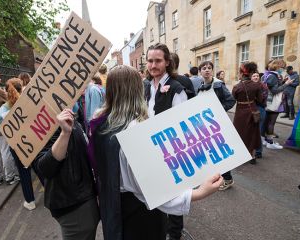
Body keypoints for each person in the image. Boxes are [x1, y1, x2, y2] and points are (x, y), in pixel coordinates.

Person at [89, 65, 223, 240]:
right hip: (138, 214)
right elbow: (150, 189)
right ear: (137, 90)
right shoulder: (134, 130)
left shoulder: (99, 122)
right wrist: (198, 193)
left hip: (113, 203)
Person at [144, 43, 188, 240]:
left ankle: (175, 234)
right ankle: (160, 229)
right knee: (157, 193)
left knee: (175, 194)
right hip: (151, 149)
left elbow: (183, 125)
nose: (153, 65)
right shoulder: (146, 86)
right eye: (150, 60)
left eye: (158, 61)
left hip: (171, 150)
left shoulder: (177, 89)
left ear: (167, 62)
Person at [36, 109, 99, 240]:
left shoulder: (66, 116)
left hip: (80, 204)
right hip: (75, 205)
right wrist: (65, 133)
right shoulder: (49, 122)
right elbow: (45, 167)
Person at [0, 78, 44, 210]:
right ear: (22, 87)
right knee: (39, 167)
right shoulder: (29, 102)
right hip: (32, 140)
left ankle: (30, 201)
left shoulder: (2, 110)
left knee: (24, 173)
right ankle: (53, 194)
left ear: (6, 92)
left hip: (16, 145)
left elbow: (1, 131)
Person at [197, 61, 236, 190]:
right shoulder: (201, 85)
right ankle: (216, 177)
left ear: (212, 71)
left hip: (218, 123)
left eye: (209, 68)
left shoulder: (218, 85)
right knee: (211, 150)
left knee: (219, 150)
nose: (207, 70)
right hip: (206, 123)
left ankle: (228, 179)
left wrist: (217, 110)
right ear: (200, 71)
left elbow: (231, 100)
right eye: (204, 68)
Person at [232, 62, 262, 164]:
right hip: (253, 111)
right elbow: (261, 100)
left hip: (240, 112)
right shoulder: (257, 86)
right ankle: (252, 156)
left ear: (241, 73)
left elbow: (233, 99)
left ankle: (240, 155)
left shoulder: (237, 87)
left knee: (240, 133)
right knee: (252, 134)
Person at [263, 59, 293, 149]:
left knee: (267, 122)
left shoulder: (268, 74)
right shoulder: (273, 76)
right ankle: (270, 142)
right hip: (273, 103)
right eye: (282, 67)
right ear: (278, 67)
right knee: (271, 123)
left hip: (268, 102)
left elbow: (273, 87)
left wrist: (283, 82)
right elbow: (275, 90)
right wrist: (286, 84)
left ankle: (265, 140)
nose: (283, 69)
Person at [251, 72, 268, 159]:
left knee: (258, 131)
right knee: (252, 131)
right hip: (252, 109)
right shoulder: (249, 86)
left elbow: (262, 99)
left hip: (260, 109)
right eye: (254, 76)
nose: (256, 77)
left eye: (257, 76)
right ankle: (252, 150)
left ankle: (258, 151)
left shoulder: (263, 86)